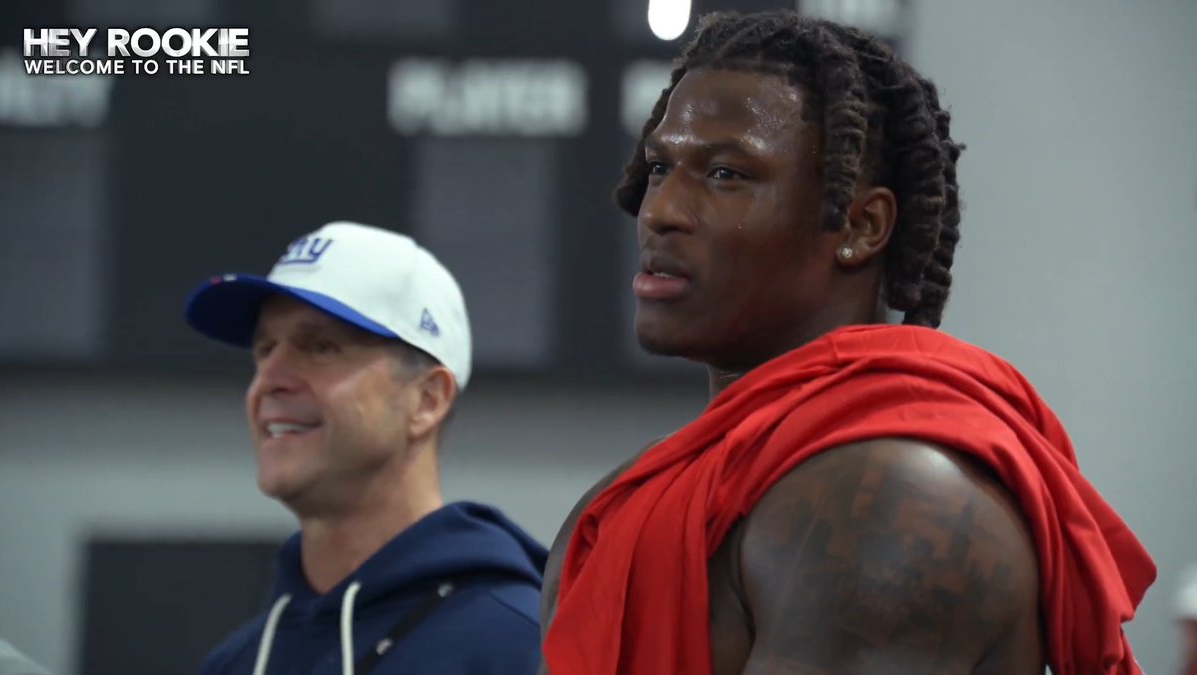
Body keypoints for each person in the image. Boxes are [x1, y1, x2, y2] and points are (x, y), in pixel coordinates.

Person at [540, 10, 1155, 675]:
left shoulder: (893, 501)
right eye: (661, 168)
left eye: (726, 174)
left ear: (862, 225)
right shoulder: (630, 497)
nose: (659, 211)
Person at [185, 221, 547, 674]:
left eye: (321, 347)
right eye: (264, 350)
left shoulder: (524, 647)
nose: (268, 381)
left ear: (426, 400)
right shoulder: (233, 663)